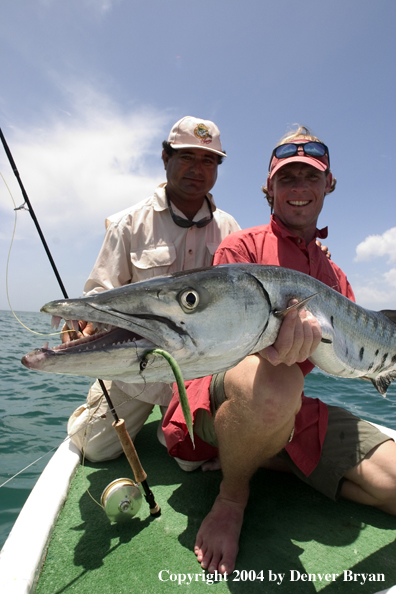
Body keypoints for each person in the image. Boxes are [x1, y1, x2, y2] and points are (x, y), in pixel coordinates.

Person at [162, 125, 396, 574]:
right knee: (278, 379)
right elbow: (225, 353)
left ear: (329, 185)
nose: (300, 189)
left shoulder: (334, 276)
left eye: (310, 177)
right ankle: (232, 498)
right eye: (287, 179)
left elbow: (351, 357)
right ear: (269, 189)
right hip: (226, 394)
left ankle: (267, 455)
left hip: (285, 406)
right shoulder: (241, 249)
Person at [66, 116, 241, 464]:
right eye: (187, 157)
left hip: (198, 372)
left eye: (208, 160)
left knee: (190, 460)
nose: (197, 168)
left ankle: (171, 425)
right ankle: (102, 408)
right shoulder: (127, 222)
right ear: (166, 158)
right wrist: (83, 325)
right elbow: (101, 294)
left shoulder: (231, 230)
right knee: (94, 448)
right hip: (135, 370)